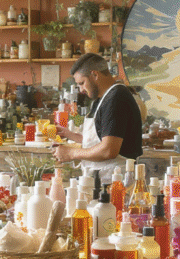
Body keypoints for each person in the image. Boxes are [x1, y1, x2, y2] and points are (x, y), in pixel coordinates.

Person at [53, 53, 143, 183]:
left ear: (95, 75)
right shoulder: (102, 99)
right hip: (101, 180)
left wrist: (71, 153)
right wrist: (69, 134)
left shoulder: (117, 98)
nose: (81, 89)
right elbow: (100, 140)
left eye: (82, 83)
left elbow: (108, 150)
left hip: (117, 182)